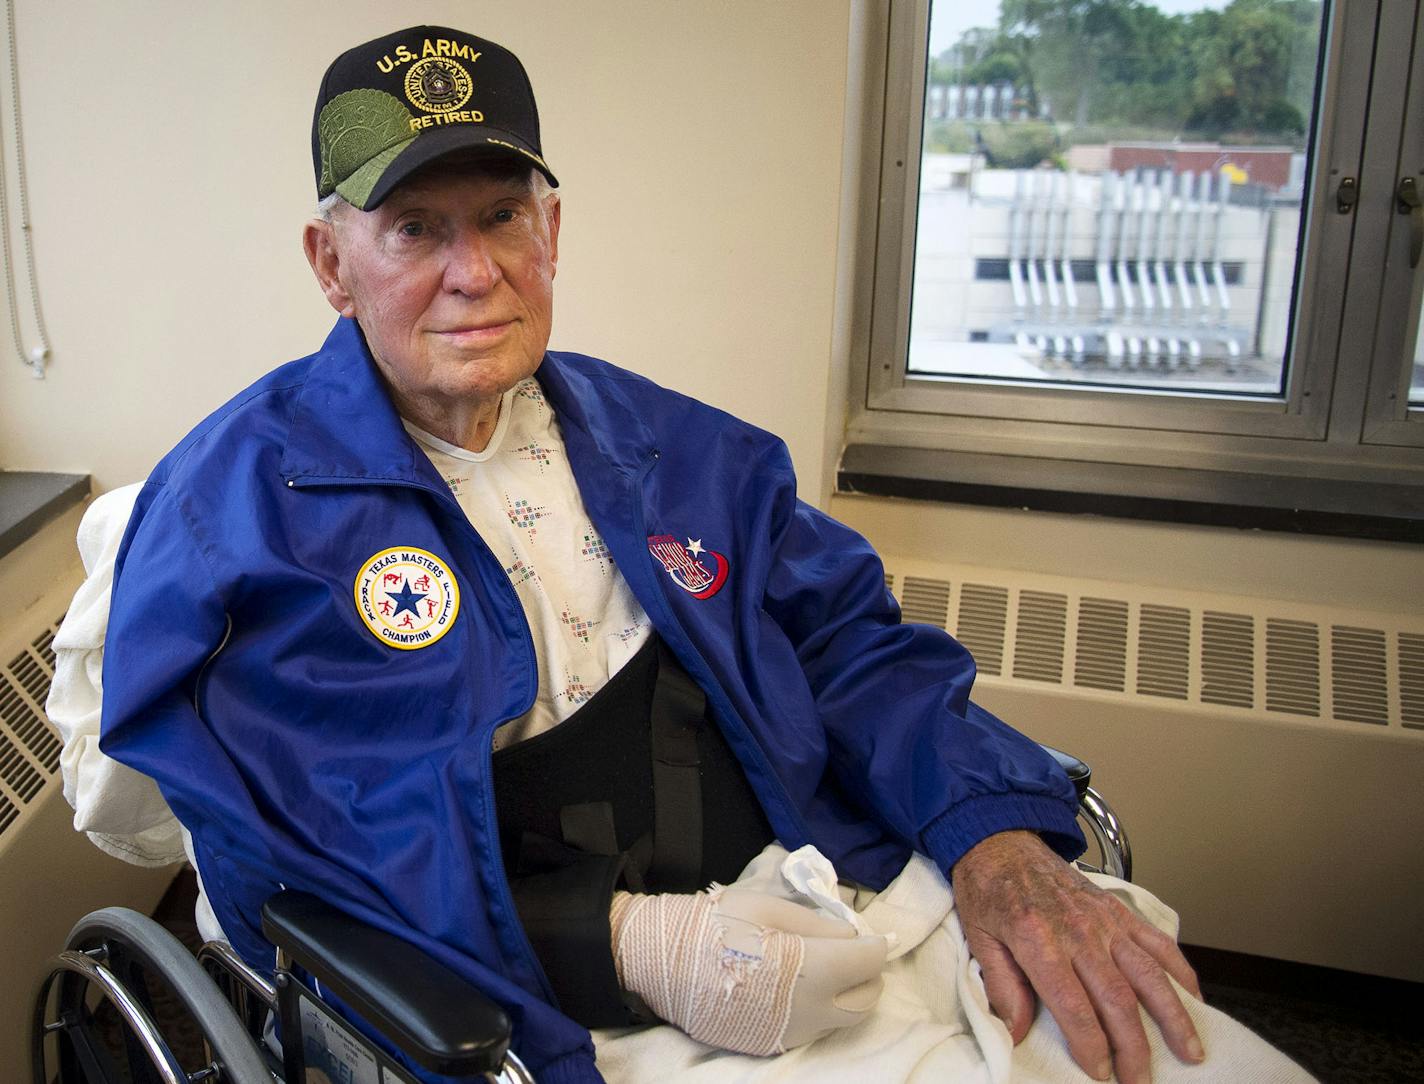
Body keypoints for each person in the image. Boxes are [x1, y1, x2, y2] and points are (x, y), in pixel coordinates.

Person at [55, 25, 1311, 1084]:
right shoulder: (235, 512)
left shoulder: (679, 447)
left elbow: (850, 647)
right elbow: (276, 847)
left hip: (824, 880)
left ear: (554, 233)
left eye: (501, 217)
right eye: (413, 229)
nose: (473, 272)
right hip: (540, 996)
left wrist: (992, 838)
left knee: (1187, 1053)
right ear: (332, 263)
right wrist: (620, 944)